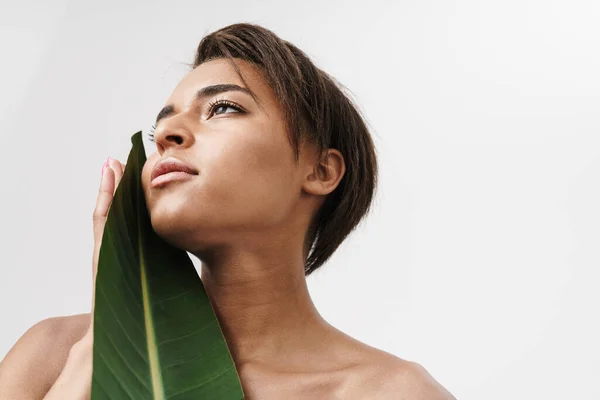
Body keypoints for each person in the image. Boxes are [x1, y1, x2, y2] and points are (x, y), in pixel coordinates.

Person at [0, 23, 456, 399]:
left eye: (222, 108)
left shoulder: (391, 392)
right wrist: (106, 340)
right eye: (161, 122)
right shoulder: (54, 354)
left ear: (320, 170)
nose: (166, 135)